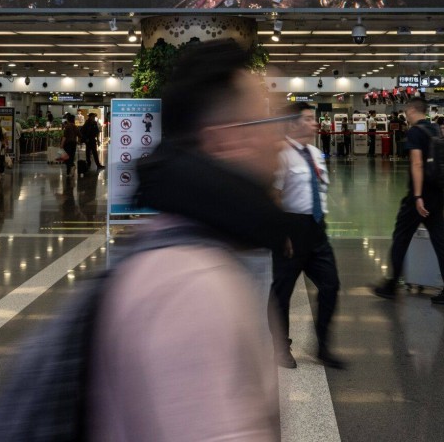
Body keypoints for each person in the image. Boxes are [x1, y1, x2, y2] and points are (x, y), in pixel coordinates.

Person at [88, 39, 288, 440]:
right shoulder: (193, 288)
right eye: (267, 122)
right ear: (226, 140)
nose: (279, 140)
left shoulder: (183, 246)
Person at [271, 102, 344, 370]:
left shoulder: (315, 152)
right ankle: (281, 347)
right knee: (282, 292)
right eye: (309, 119)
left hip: (317, 230)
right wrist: (281, 233)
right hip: (291, 229)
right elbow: (274, 196)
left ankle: (322, 346)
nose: (315, 123)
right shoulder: (281, 154)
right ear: (293, 123)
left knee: (330, 285)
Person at [374, 98, 444, 306]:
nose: (406, 114)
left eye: (407, 110)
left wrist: (417, 196)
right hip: (438, 193)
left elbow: (417, 163)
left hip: (420, 197)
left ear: (413, 109)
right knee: (440, 241)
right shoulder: (435, 129)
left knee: (401, 237)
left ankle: (391, 284)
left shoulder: (415, 132)